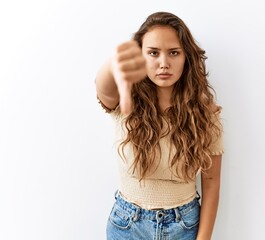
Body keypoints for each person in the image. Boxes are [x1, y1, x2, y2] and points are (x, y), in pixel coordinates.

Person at [95, 11, 224, 240]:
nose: (164, 63)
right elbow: (102, 88)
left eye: (174, 53)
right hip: (127, 226)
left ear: (186, 57)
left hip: (184, 226)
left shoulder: (205, 113)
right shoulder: (127, 101)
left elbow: (211, 183)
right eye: (153, 53)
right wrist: (118, 59)